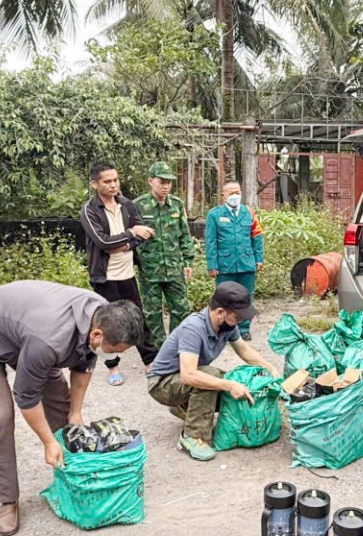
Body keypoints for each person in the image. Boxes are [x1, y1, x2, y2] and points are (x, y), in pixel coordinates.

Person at [0, 281, 145, 536]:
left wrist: (76, 412)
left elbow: (84, 363)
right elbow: (26, 395)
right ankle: (7, 500)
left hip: (20, 335)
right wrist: (48, 441)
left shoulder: (102, 314)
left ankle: (73, 476)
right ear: (97, 335)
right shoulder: (49, 340)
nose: (117, 355)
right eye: (116, 350)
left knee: (62, 407)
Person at [146, 282, 278, 462]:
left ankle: (184, 407)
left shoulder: (227, 325)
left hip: (181, 380)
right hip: (162, 384)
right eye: (237, 317)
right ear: (220, 312)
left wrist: (269, 368)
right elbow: (189, 375)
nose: (239, 321)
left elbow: (244, 350)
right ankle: (192, 437)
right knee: (216, 379)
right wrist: (229, 385)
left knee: (233, 380)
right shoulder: (193, 328)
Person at [79, 161, 159, 385]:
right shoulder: (89, 210)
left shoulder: (126, 204)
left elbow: (144, 234)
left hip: (127, 274)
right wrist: (131, 232)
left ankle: (150, 362)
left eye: (115, 180)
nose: (113, 185)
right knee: (106, 324)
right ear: (95, 184)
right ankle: (112, 368)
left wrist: (126, 244)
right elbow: (103, 241)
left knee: (138, 319)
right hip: (104, 277)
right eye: (107, 181)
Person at [133, 161, 196, 348]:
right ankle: (160, 348)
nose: (166, 186)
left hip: (174, 267)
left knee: (181, 307)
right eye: (162, 181)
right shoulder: (138, 206)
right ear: (150, 181)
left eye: (169, 182)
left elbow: (184, 234)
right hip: (150, 269)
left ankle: (175, 344)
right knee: (152, 311)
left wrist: (188, 262)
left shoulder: (176, 204)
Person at [205, 180, 265, 340]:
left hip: (247, 263)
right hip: (225, 265)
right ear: (223, 196)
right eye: (231, 193)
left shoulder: (249, 212)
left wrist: (259, 258)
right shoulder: (214, 215)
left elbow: (257, 237)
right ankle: (222, 327)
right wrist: (212, 264)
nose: (235, 196)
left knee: (246, 296)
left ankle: (243, 329)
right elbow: (210, 241)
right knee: (223, 297)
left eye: (237, 192)